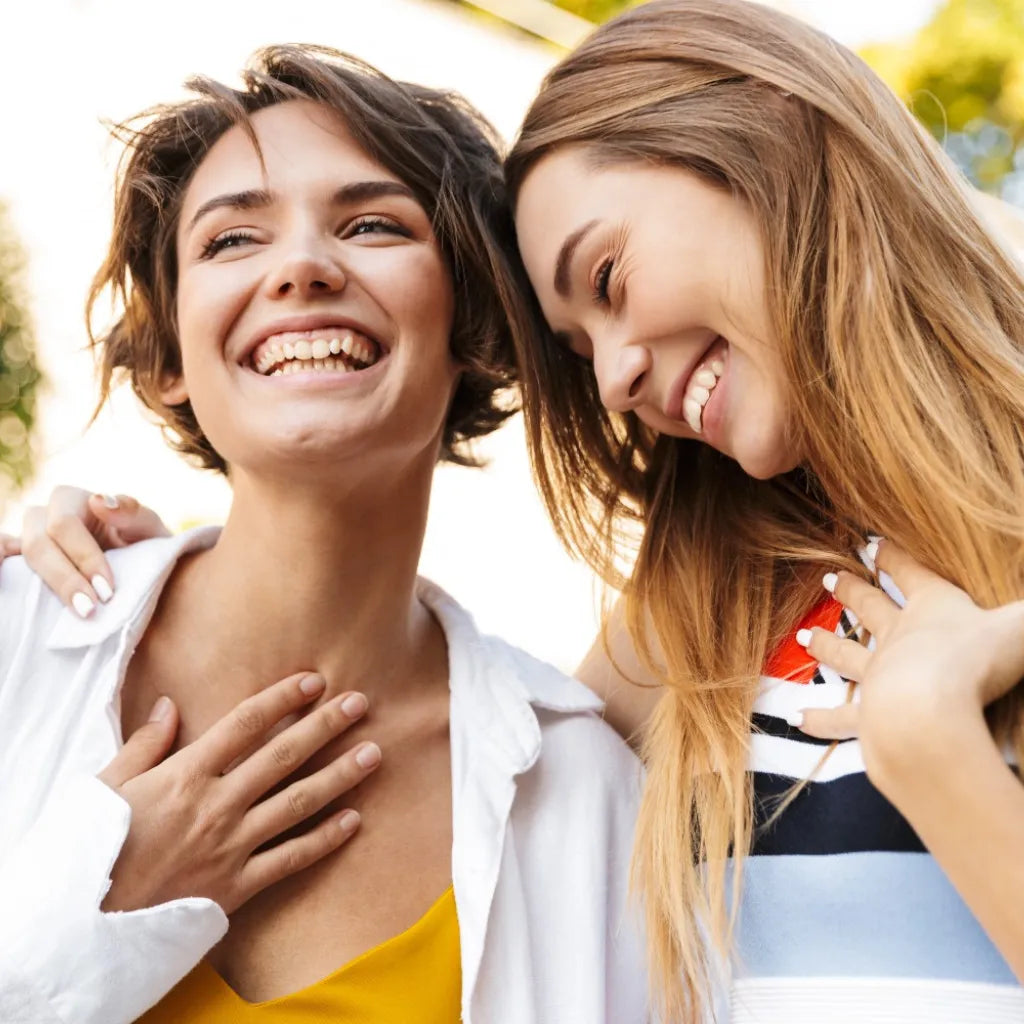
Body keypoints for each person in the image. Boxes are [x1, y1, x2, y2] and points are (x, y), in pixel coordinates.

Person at [17, 1, 1024, 1021]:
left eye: (608, 276)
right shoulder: (712, 610)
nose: (620, 376)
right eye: (580, 349)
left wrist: (930, 741)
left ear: (768, 142)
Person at [0, 46, 646, 1024]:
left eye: (372, 223)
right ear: (171, 354)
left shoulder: (581, 793)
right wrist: (93, 911)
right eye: (231, 241)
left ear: (473, 327)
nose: (302, 265)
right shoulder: (13, 642)